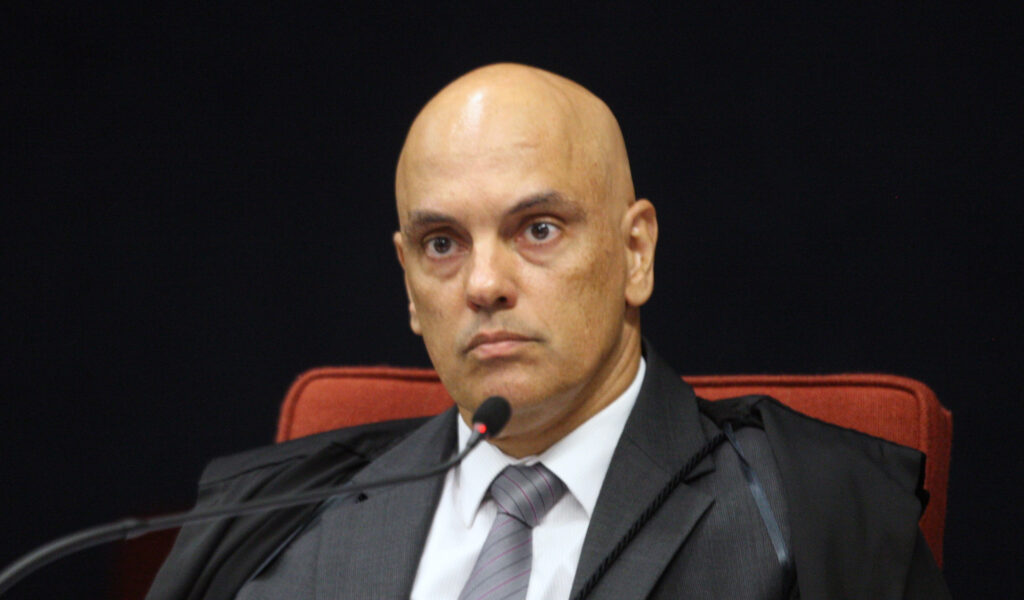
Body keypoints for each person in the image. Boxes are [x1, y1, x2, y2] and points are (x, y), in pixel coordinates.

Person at [147, 64, 950, 599]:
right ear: (409, 285)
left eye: (537, 229)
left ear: (635, 253)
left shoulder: (806, 516)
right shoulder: (274, 530)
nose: (484, 284)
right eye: (441, 244)